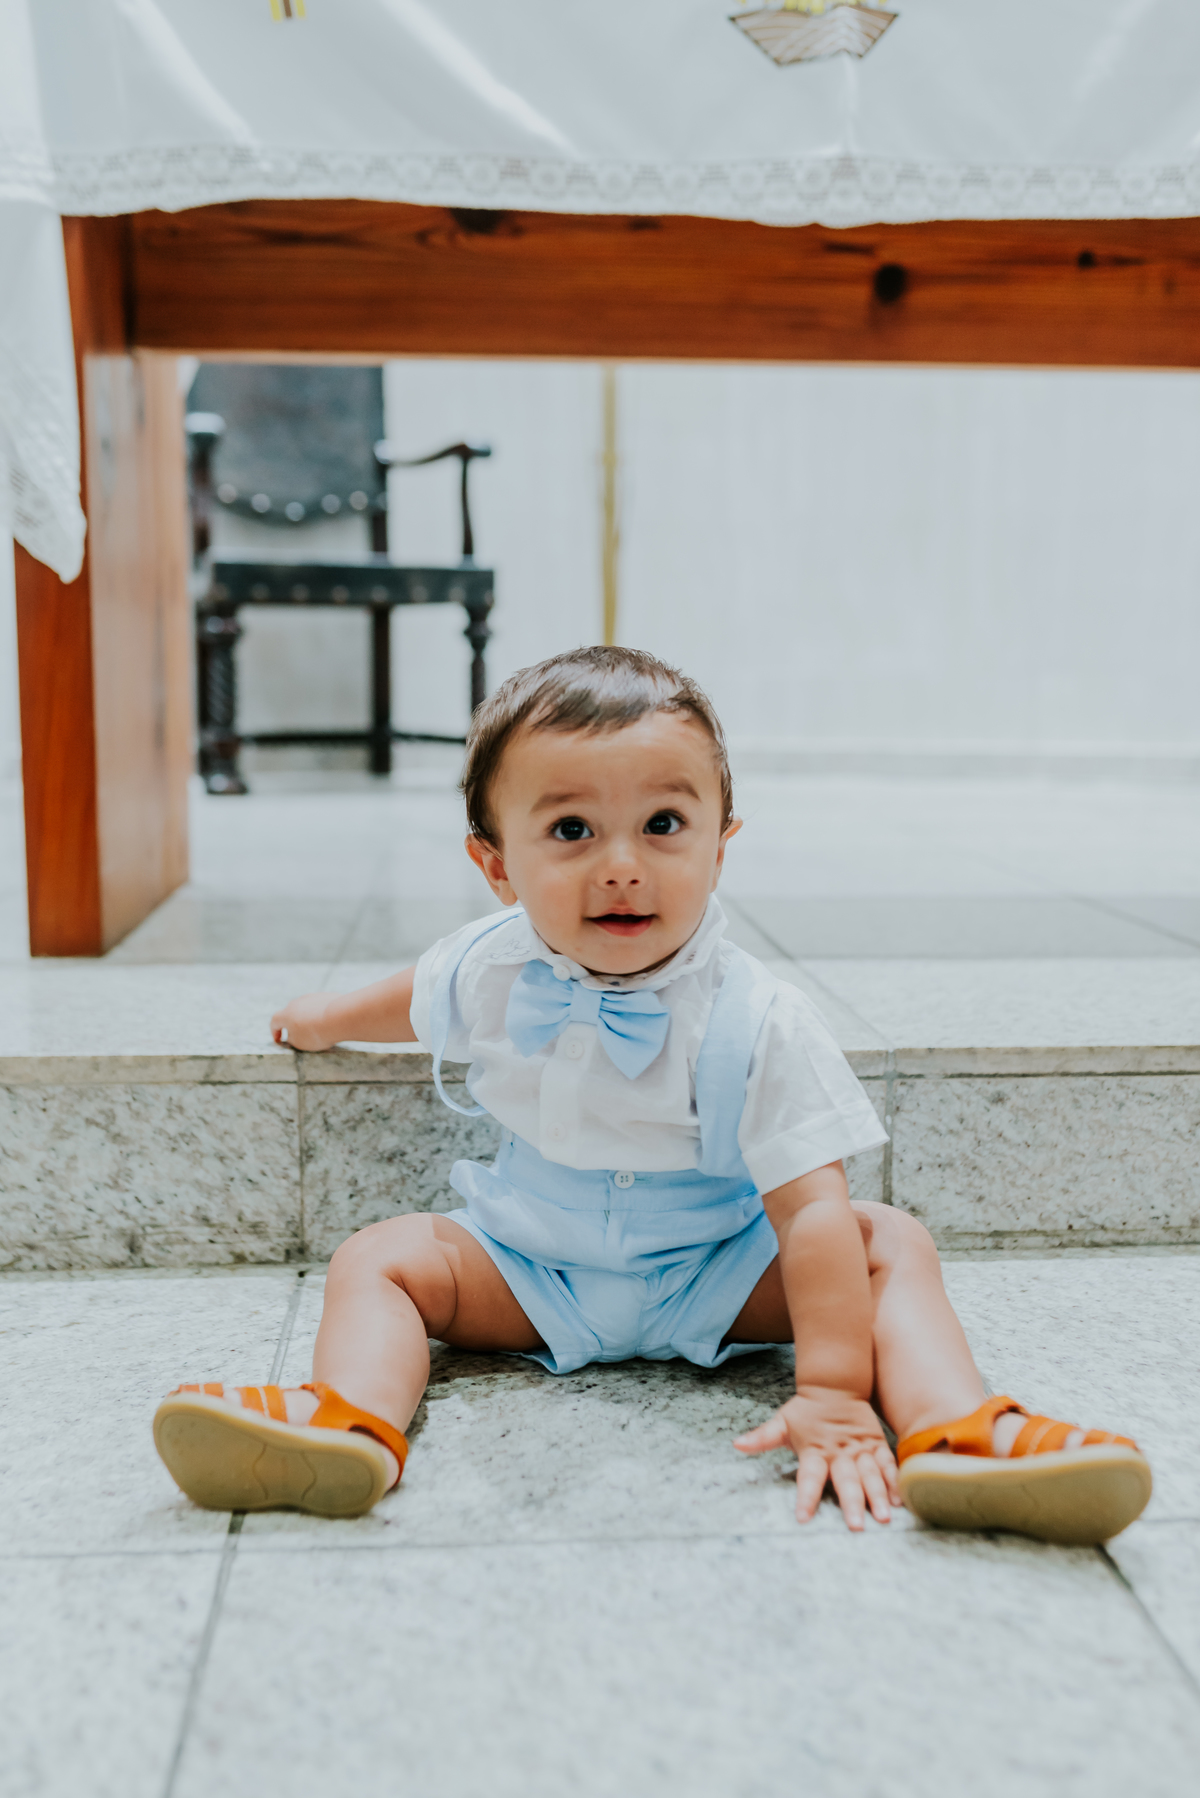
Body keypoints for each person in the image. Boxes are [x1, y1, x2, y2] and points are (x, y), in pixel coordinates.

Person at [154, 647, 1151, 1543]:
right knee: (378, 1258)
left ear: (720, 844)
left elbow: (809, 1213)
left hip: (717, 1270)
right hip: (530, 1268)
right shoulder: (490, 966)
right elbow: (417, 995)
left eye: (664, 824)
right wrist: (325, 1015)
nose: (623, 867)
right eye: (572, 830)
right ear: (497, 867)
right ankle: (349, 1422)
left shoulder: (760, 1018)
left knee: (885, 1240)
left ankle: (953, 1429)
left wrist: (834, 1391)